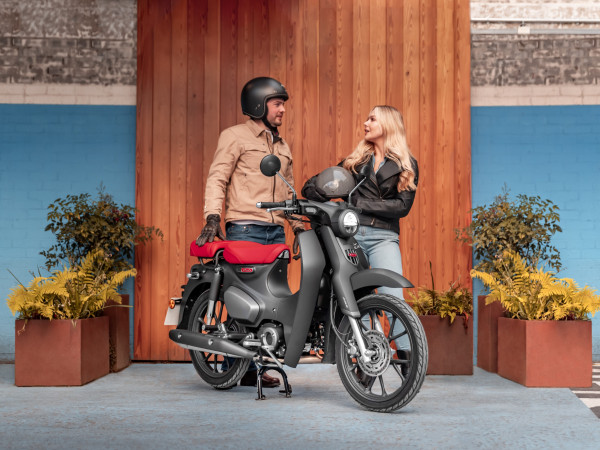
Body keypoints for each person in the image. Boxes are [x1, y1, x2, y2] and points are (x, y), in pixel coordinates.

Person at [196, 76, 304, 388]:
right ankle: (237, 368)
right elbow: (217, 177)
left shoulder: (281, 145)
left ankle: (259, 363)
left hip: (275, 232)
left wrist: (298, 227)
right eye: (277, 103)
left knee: (271, 303)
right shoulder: (235, 136)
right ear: (259, 104)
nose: (282, 109)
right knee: (242, 301)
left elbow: (288, 190)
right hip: (245, 228)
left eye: (282, 104)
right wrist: (213, 217)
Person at [302, 105, 418, 377]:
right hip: (350, 238)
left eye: (372, 119)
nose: (366, 123)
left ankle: (409, 369)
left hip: (383, 237)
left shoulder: (407, 164)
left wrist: (357, 203)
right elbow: (314, 185)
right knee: (356, 302)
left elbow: (401, 207)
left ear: (387, 125)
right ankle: (365, 365)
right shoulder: (355, 161)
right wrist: (321, 191)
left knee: (394, 300)